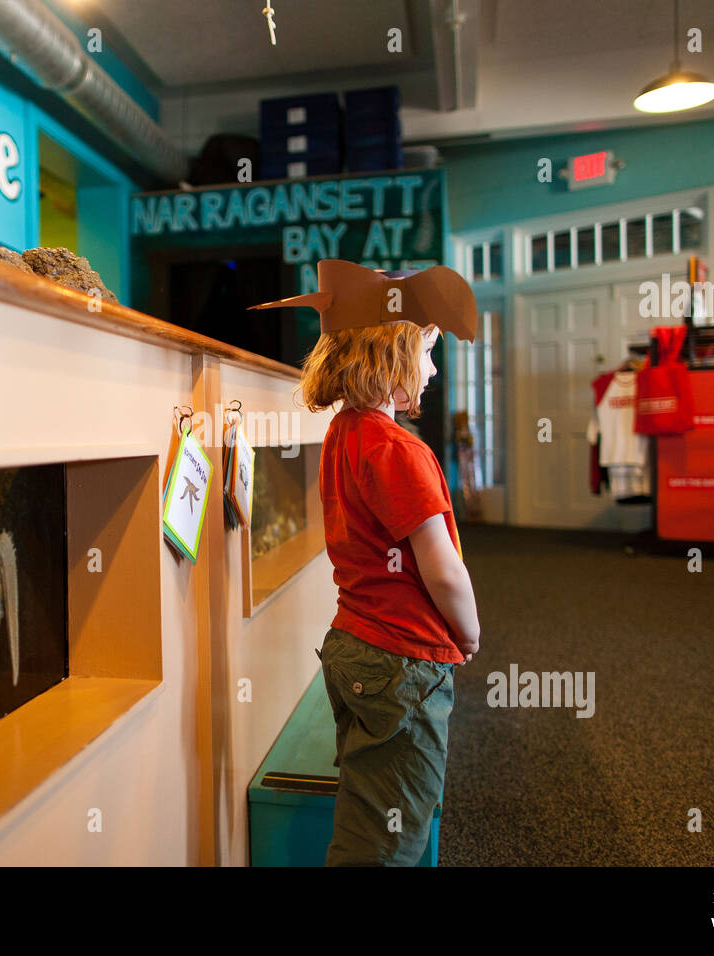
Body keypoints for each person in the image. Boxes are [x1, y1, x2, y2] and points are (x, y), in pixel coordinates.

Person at [252, 260, 482, 866]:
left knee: (367, 811)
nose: (433, 369)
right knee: (388, 842)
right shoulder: (401, 451)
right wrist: (470, 631)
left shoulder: (344, 434)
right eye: (428, 353)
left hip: (354, 646)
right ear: (392, 357)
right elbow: (443, 568)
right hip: (402, 661)